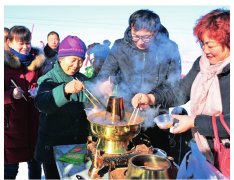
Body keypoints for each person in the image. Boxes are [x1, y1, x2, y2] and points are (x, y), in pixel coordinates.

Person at [131, 9, 230, 169]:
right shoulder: (202, 64)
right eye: (202, 43)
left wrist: (194, 121)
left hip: (227, 158)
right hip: (205, 150)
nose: (205, 50)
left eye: (210, 45)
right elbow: (180, 92)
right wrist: (151, 98)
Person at [96, 9, 181, 154]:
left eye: (146, 37)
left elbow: (174, 86)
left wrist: (151, 98)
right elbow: (105, 73)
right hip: (127, 115)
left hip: (156, 114)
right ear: (131, 27)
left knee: (156, 161)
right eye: (136, 36)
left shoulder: (169, 48)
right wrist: (105, 82)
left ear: (155, 31)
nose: (140, 42)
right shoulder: (120, 46)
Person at [34, 35, 90, 179]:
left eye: (80, 61)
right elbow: (42, 104)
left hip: (76, 145)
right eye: (73, 60)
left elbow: (93, 100)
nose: (76, 65)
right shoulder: (48, 79)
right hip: (52, 147)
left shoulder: (82, 78)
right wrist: (65, 90)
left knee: (74, 176)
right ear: (61, 58)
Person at [4, 25, 45, 179]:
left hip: (34, 121)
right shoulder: (4, 64)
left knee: (35, 163)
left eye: (27, 43)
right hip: (12, 125)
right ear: (10, 43)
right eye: (20, 43)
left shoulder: (36, 62)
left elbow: (41, 82)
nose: (25, 47)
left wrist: (39, 91)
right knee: (10, 168)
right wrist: (10, 94)